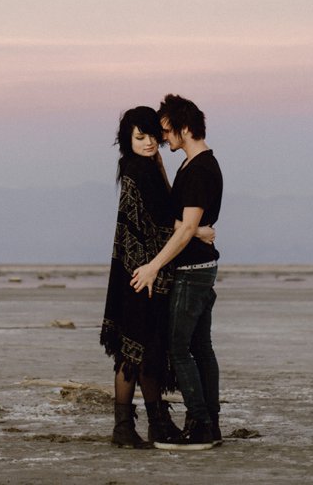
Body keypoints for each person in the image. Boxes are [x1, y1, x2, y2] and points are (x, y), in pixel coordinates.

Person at [99, 106, 215, 448]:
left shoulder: (143, 168)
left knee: (143, 350)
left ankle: (153, 425)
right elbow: (163, 222)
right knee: (135, 351)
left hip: (139, 271)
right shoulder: (138, 171)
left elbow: (162, 212)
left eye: (153, 136)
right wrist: (199, 232)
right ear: (127, 140)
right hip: (144, 273)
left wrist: (162, 169)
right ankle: (128, 428)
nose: (149, 142)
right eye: (140, 137)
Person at [130, 93, 224, 451]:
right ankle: (210, 423)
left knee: (179, 347)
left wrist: (153, 266)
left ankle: (200, 425)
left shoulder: (200, 169)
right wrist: (196, 229)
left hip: (192, 271)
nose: (162, 137)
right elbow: (186, 222)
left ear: (185, 128)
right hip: (202, 267)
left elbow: (184, 229)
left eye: (167, 131)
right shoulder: (192, 164)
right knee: (201, 347)